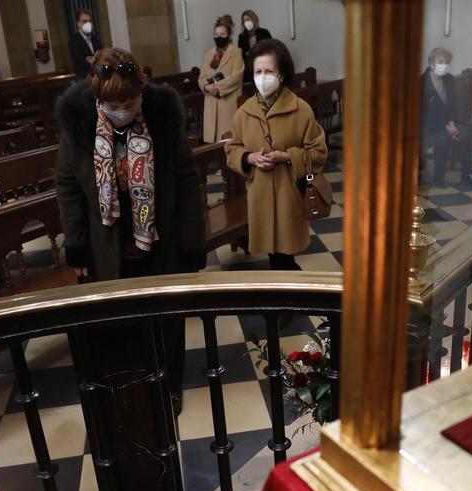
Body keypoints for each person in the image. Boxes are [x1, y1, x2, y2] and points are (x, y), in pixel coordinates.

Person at [55, 47, 206, 410]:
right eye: (112, 103)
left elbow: (186, 181)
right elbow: (68, 186)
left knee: (167, 320)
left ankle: (169, 386)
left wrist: (191, 244)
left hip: (159, 237)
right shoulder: (80, 127)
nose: (121, 109)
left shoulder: (163, 119)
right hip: (106, 242)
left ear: (141, 91)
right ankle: (129, 388)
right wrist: (76, 247)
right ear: (98, 99)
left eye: (129, 101)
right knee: (117, 321)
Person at [226, 39, 327, 271]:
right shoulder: (243, 113)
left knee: (284, 256)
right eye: (258, 71)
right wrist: (248, 158)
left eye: (269, 71)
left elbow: (319, 152)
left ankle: (291, 299)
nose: (262, 77)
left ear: (281, 74)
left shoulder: (300, 109)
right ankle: (286, 300)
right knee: (275, 257)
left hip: (288, 195)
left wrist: (287, 157)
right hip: (259, 195)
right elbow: (232, 148)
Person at [421, 47, 472, 188]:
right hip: (428, 126)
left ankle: (468, 175)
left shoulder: (449, 79)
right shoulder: (422, 83)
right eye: (440, 61)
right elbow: (426, 113)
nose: (444, 64)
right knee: (441, 137)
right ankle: (438, 177)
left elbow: (453, 106)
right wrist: (447, 127)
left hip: (447, 122)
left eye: (447, 62)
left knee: (466, 132)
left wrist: (452, 123)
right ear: (431, 64)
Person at [199, 15, 243, 143]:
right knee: (212, 143)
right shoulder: (209, 54)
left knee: (228, 140)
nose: (218, 37)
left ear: (229, 36)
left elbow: (236, 76)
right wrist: (206, 87)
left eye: (222, 34)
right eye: (216, 34)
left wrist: (218, 87)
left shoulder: (236, 52)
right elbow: (202, 77)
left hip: (227, 102)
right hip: (211, 103)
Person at [236, 10, 272, 82]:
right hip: (249, 67)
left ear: (254, 19)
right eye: (244, 21)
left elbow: (271, 48)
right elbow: (241, 54)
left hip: (264, 63)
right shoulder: (242, 36)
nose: (246, 22)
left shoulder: (264, 32)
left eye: (248, 19)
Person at [68, 10, 103, 79]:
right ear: (78, 24)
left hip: (99, 77)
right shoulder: (74, 41)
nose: (88, 24)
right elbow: (80, 61)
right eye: (85, 21)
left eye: (90, 21)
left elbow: (103, 56)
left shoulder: (96, 40)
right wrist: (96, 59)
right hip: (84, 80)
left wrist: (93, 59)